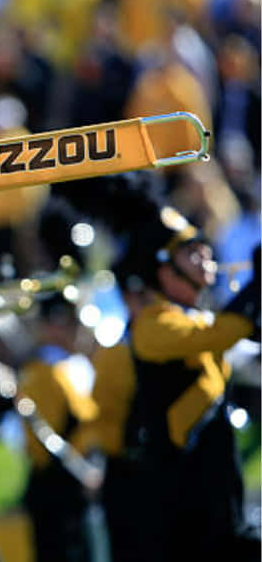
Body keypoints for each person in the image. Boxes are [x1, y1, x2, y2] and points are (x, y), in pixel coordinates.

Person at [61, 172, 261, 560]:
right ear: (163, 271)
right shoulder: (152, 324)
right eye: (190, 251)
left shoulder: (193, 317)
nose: (206, 256)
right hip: (177, 495)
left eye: (203, 246)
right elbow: (223, 334)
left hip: (215, 482)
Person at [19, 294, 98, 562]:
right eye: (71, 323)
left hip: (75, 485)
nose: (79, 330)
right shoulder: (43, 371)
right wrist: (83, 471)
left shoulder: (71, 364)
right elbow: (44, 443)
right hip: (58, 488)